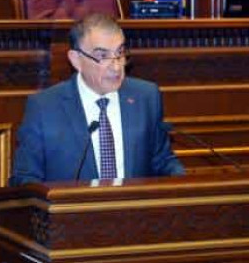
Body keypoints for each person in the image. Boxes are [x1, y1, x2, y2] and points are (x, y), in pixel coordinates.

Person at [11, 13, 184, 184]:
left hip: (132, 202)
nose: (116, 66)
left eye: (120, 53)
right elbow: (25, 178)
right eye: (103, 56)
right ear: (76, 60)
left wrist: (183, 183)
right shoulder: (44, 107)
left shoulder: (146, 97)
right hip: (73, 203)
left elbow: (162, 161)